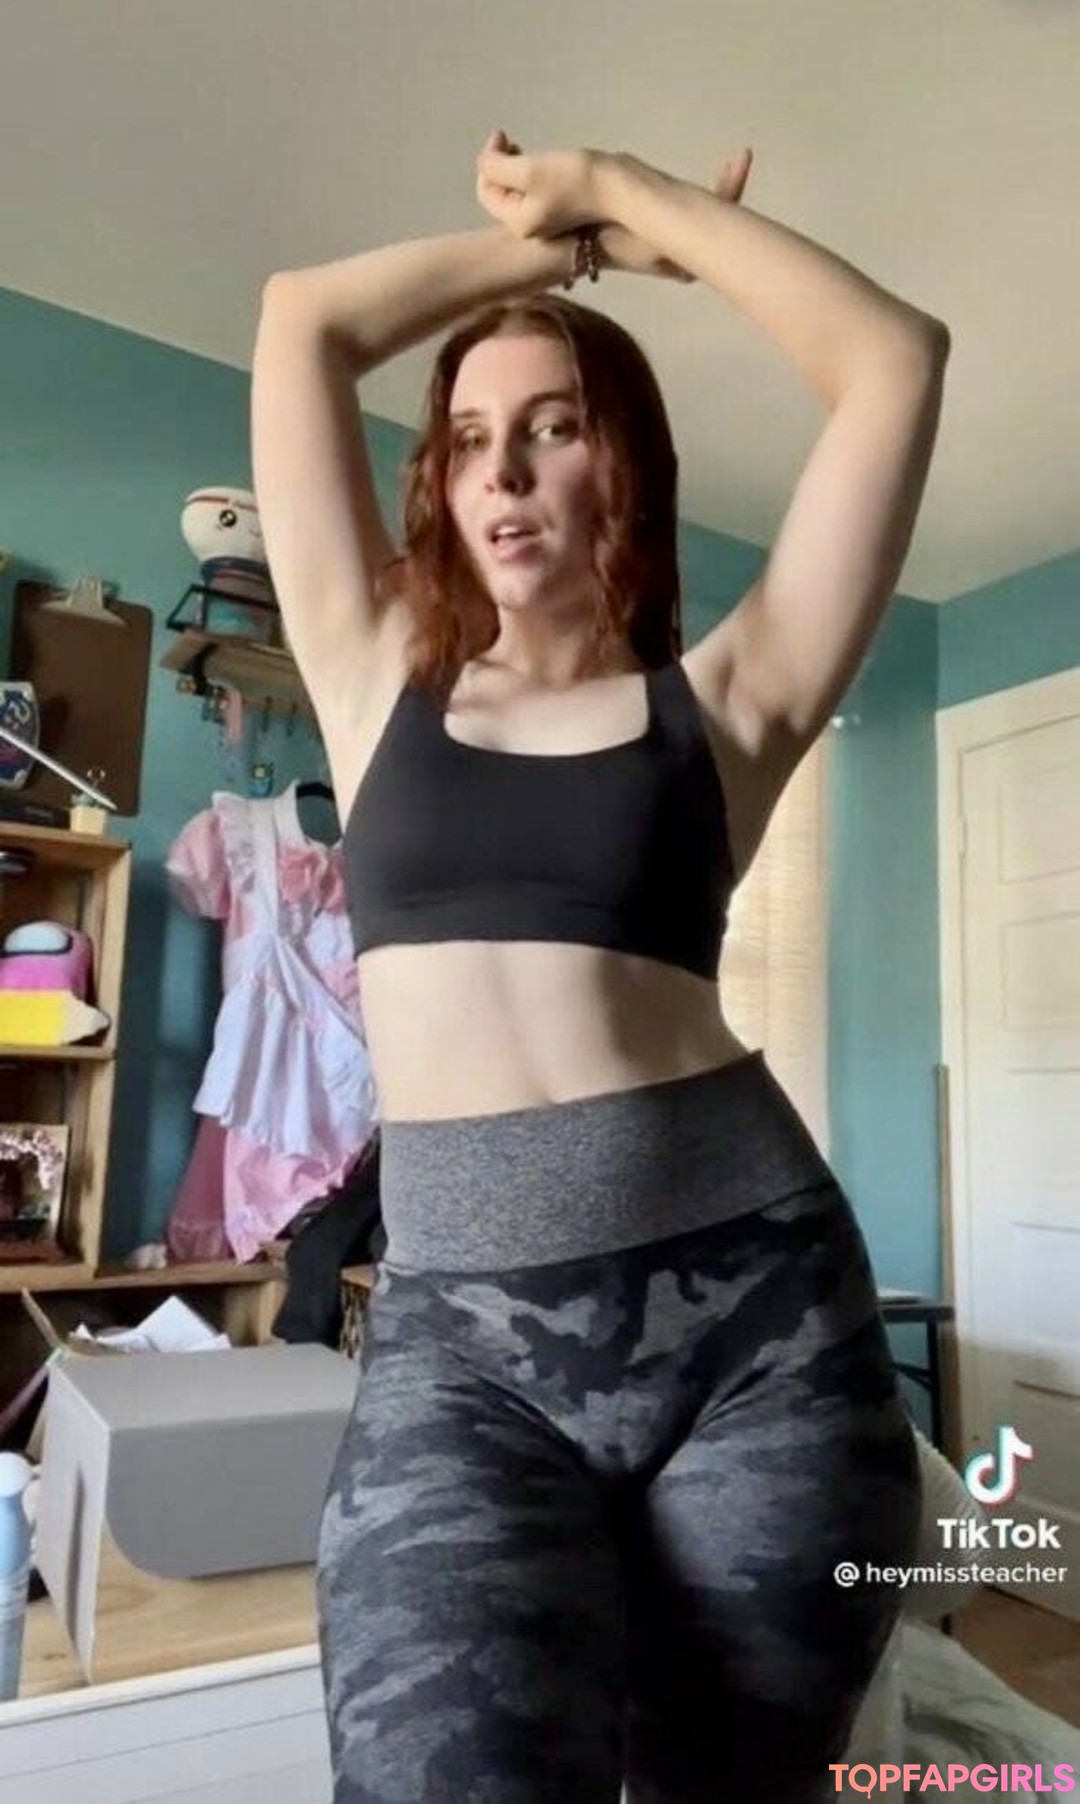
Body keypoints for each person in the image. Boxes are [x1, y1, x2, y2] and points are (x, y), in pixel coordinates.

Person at [251, 132, 950, 1804]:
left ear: (622, 464)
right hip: (465, 1356)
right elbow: (301, 323)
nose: (502, 471)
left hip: (761, 1337)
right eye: (469, 439)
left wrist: (632, 194)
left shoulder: (729, 705)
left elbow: (895, 362)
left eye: (553, 428)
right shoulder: (371, 673)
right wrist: (556, 251)